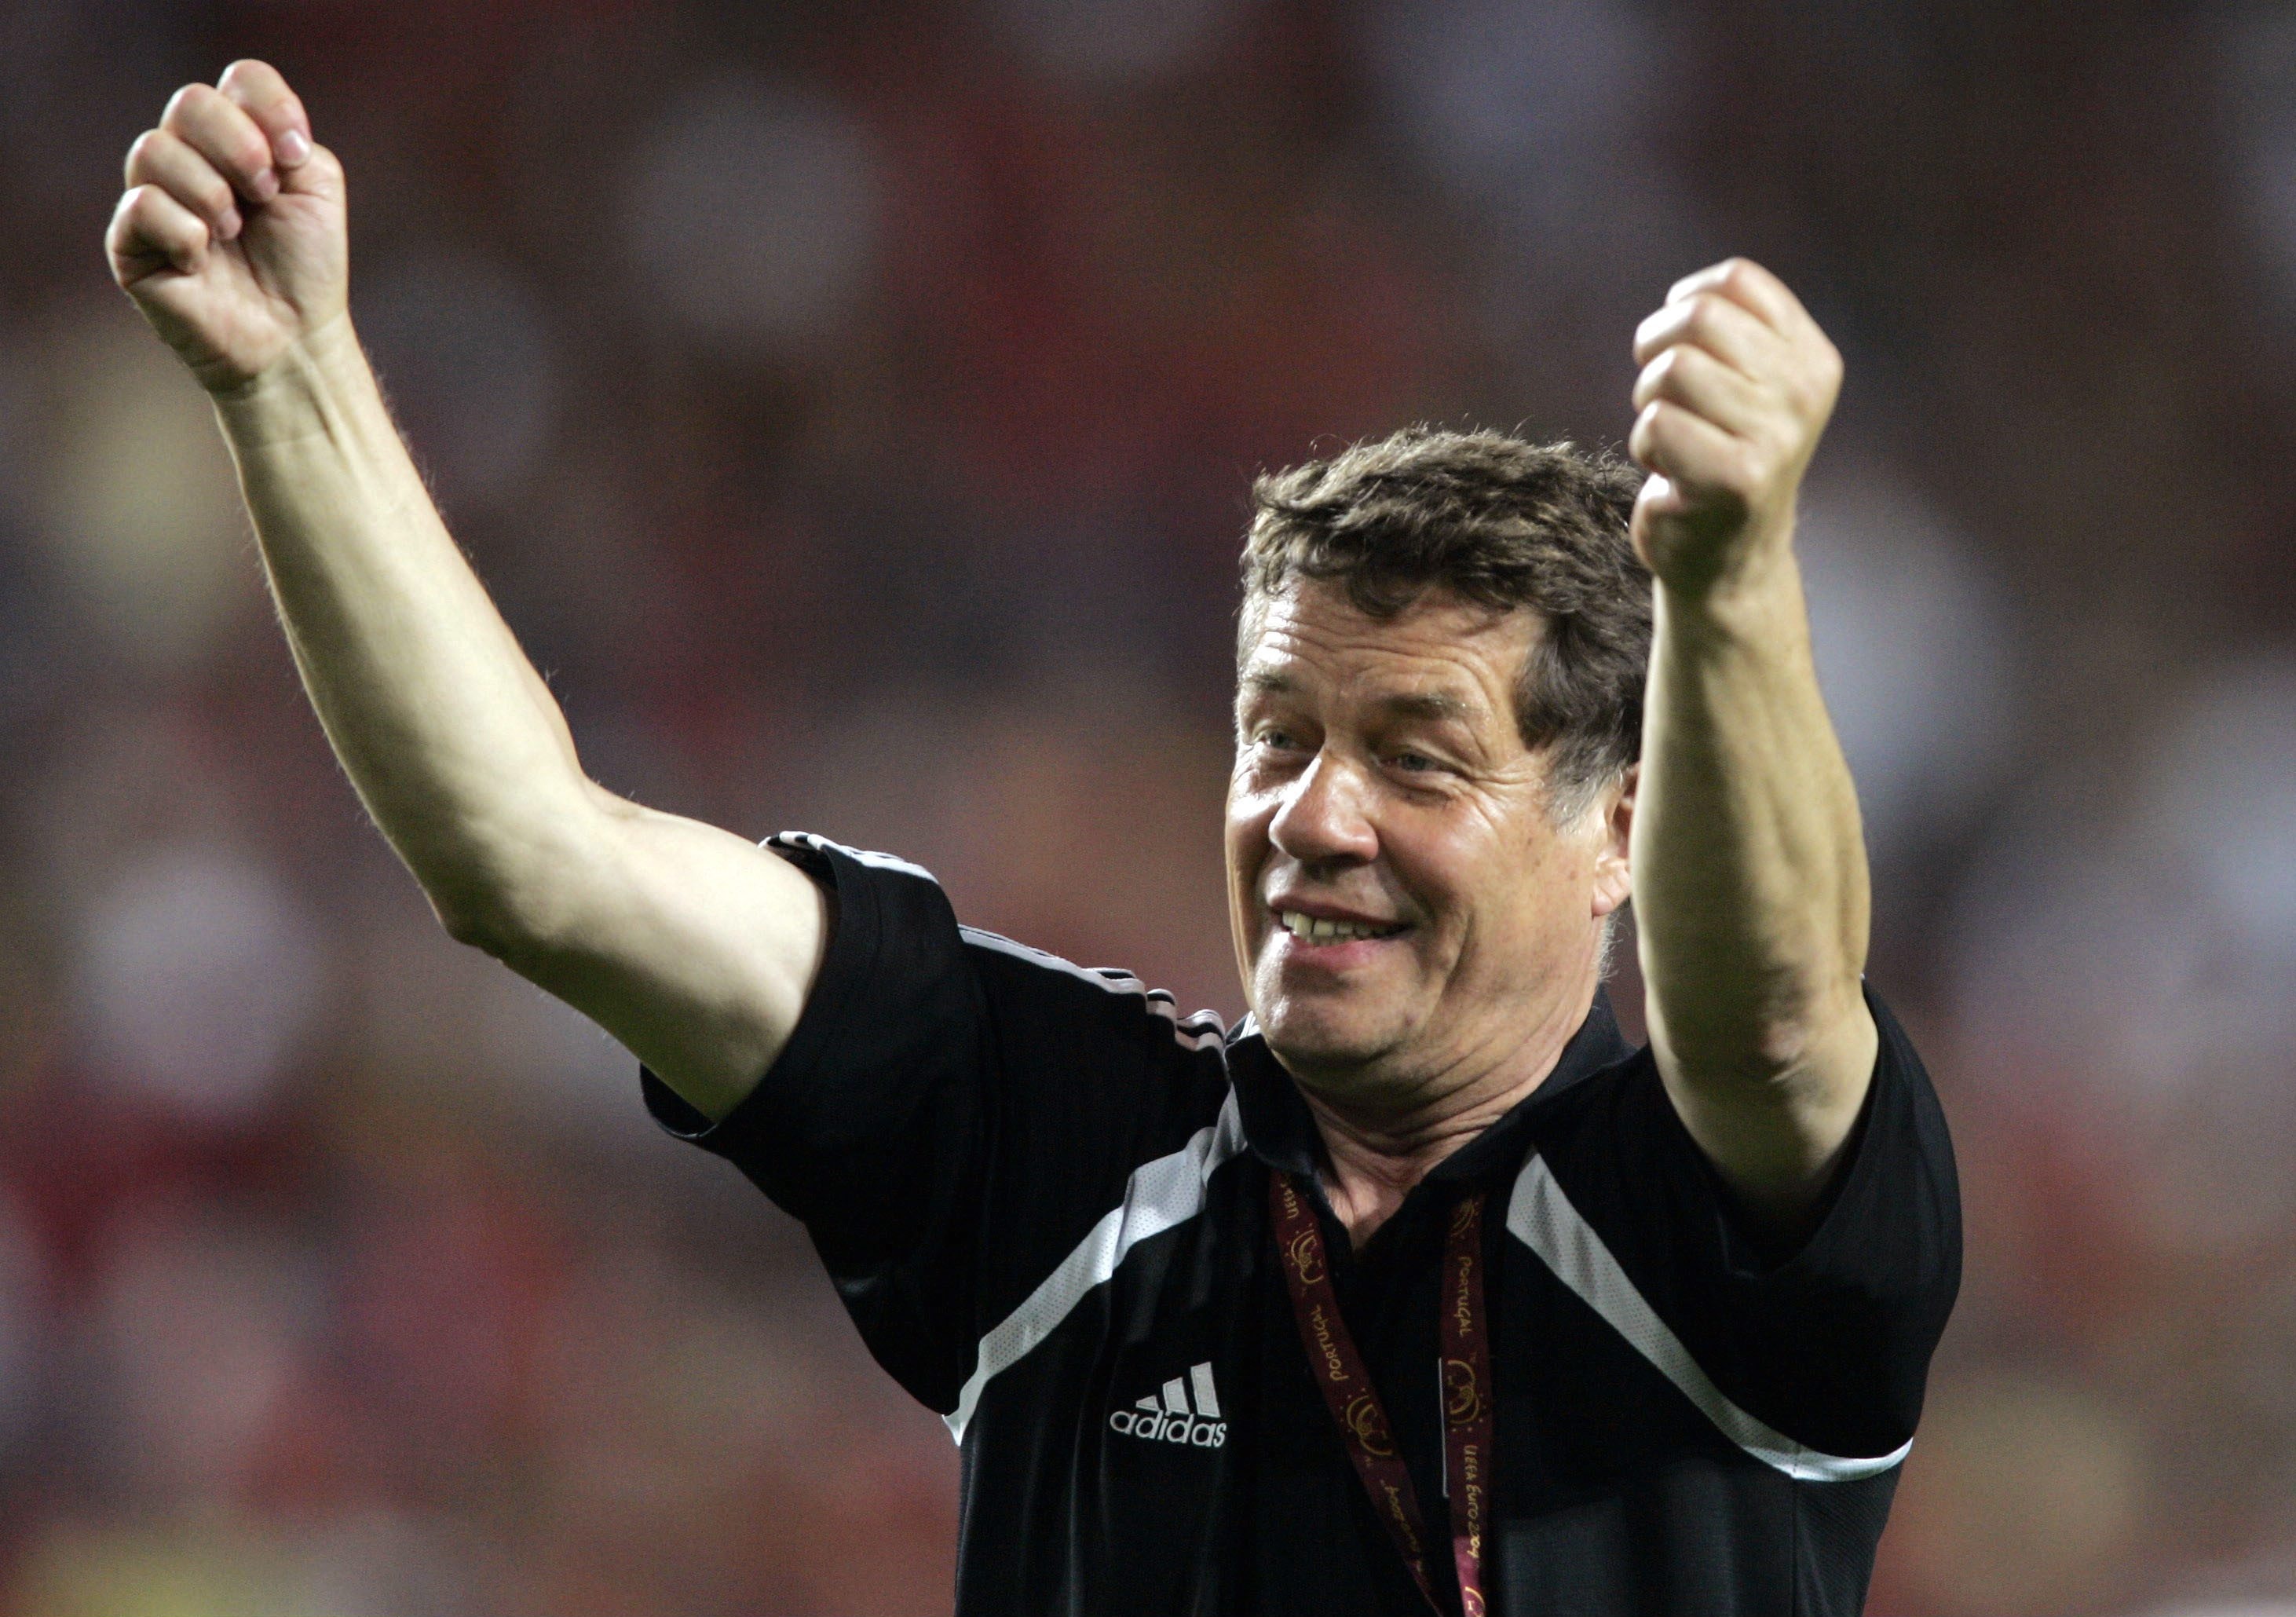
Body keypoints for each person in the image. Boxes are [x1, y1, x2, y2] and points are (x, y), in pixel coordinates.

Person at [108, 60, 1959, 1617]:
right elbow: (529, 852)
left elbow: (1777, 1018)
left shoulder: (1707, 1228)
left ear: (1615, 826)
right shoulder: (1062, 1143)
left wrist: (1719, 584)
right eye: (1275, 737)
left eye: (1415, 756)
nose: (1313, 816)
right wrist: (291, 387)